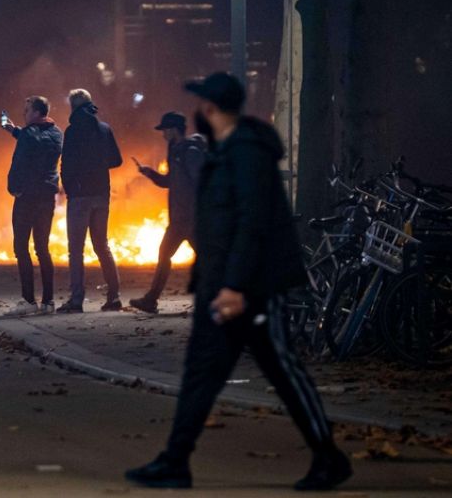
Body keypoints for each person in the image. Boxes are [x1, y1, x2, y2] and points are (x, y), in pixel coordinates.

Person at [125, 73, 351, 492]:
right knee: (200, 373)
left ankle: (328, 457)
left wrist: (234, 286)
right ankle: (175, 461)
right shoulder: (223, 151)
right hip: (221, 283)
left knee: (283, 371)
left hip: (252, 288)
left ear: (212, 111)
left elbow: (251, 223)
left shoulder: (247, 152)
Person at [129, 112, 206, 314]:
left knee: (169, 256)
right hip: (182, 218)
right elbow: (169, 182)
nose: (162, 133)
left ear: (173, 130)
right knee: (168, 255)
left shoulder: (190, 152)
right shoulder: (177, 150)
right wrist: (150, 174)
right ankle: (151, 299)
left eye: (164, 129)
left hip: (190, 218)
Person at [58, 89, 123, 313]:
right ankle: (114, 297)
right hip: (101, 195)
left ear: (73, 107)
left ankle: (77, 301)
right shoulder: (104, 129)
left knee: (76, 250)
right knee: (102, 246)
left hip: (80, 196)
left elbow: (65, 165)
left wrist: (71, 190)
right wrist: (98, 164)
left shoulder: (73, 131)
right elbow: (117, 160)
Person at [1, 96, 63, 316]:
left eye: (27, 111)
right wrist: (14, 130)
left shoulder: (28, 135)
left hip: (27, 198)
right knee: (42, 248)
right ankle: (48, 302)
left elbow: (19, 163)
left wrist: (13, 189)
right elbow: (38, 143)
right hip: (47, 198)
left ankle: (28, 301)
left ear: (37, 112)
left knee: (21, 247)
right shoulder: (57, 134)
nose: (24, 114)